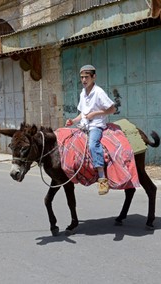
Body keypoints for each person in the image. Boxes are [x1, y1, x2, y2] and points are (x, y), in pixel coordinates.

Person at [65, 64, 116, 195]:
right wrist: (73, 121)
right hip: (83, 125)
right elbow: (82, 113)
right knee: (68, 142)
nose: (83, 80)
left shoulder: (98, 92)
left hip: (95, 126)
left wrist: (95, 114)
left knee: (93, 145)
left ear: (94, 77)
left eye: (86, 77)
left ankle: (102, 178)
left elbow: (112, 109)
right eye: (81, 77)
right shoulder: (83, 93)